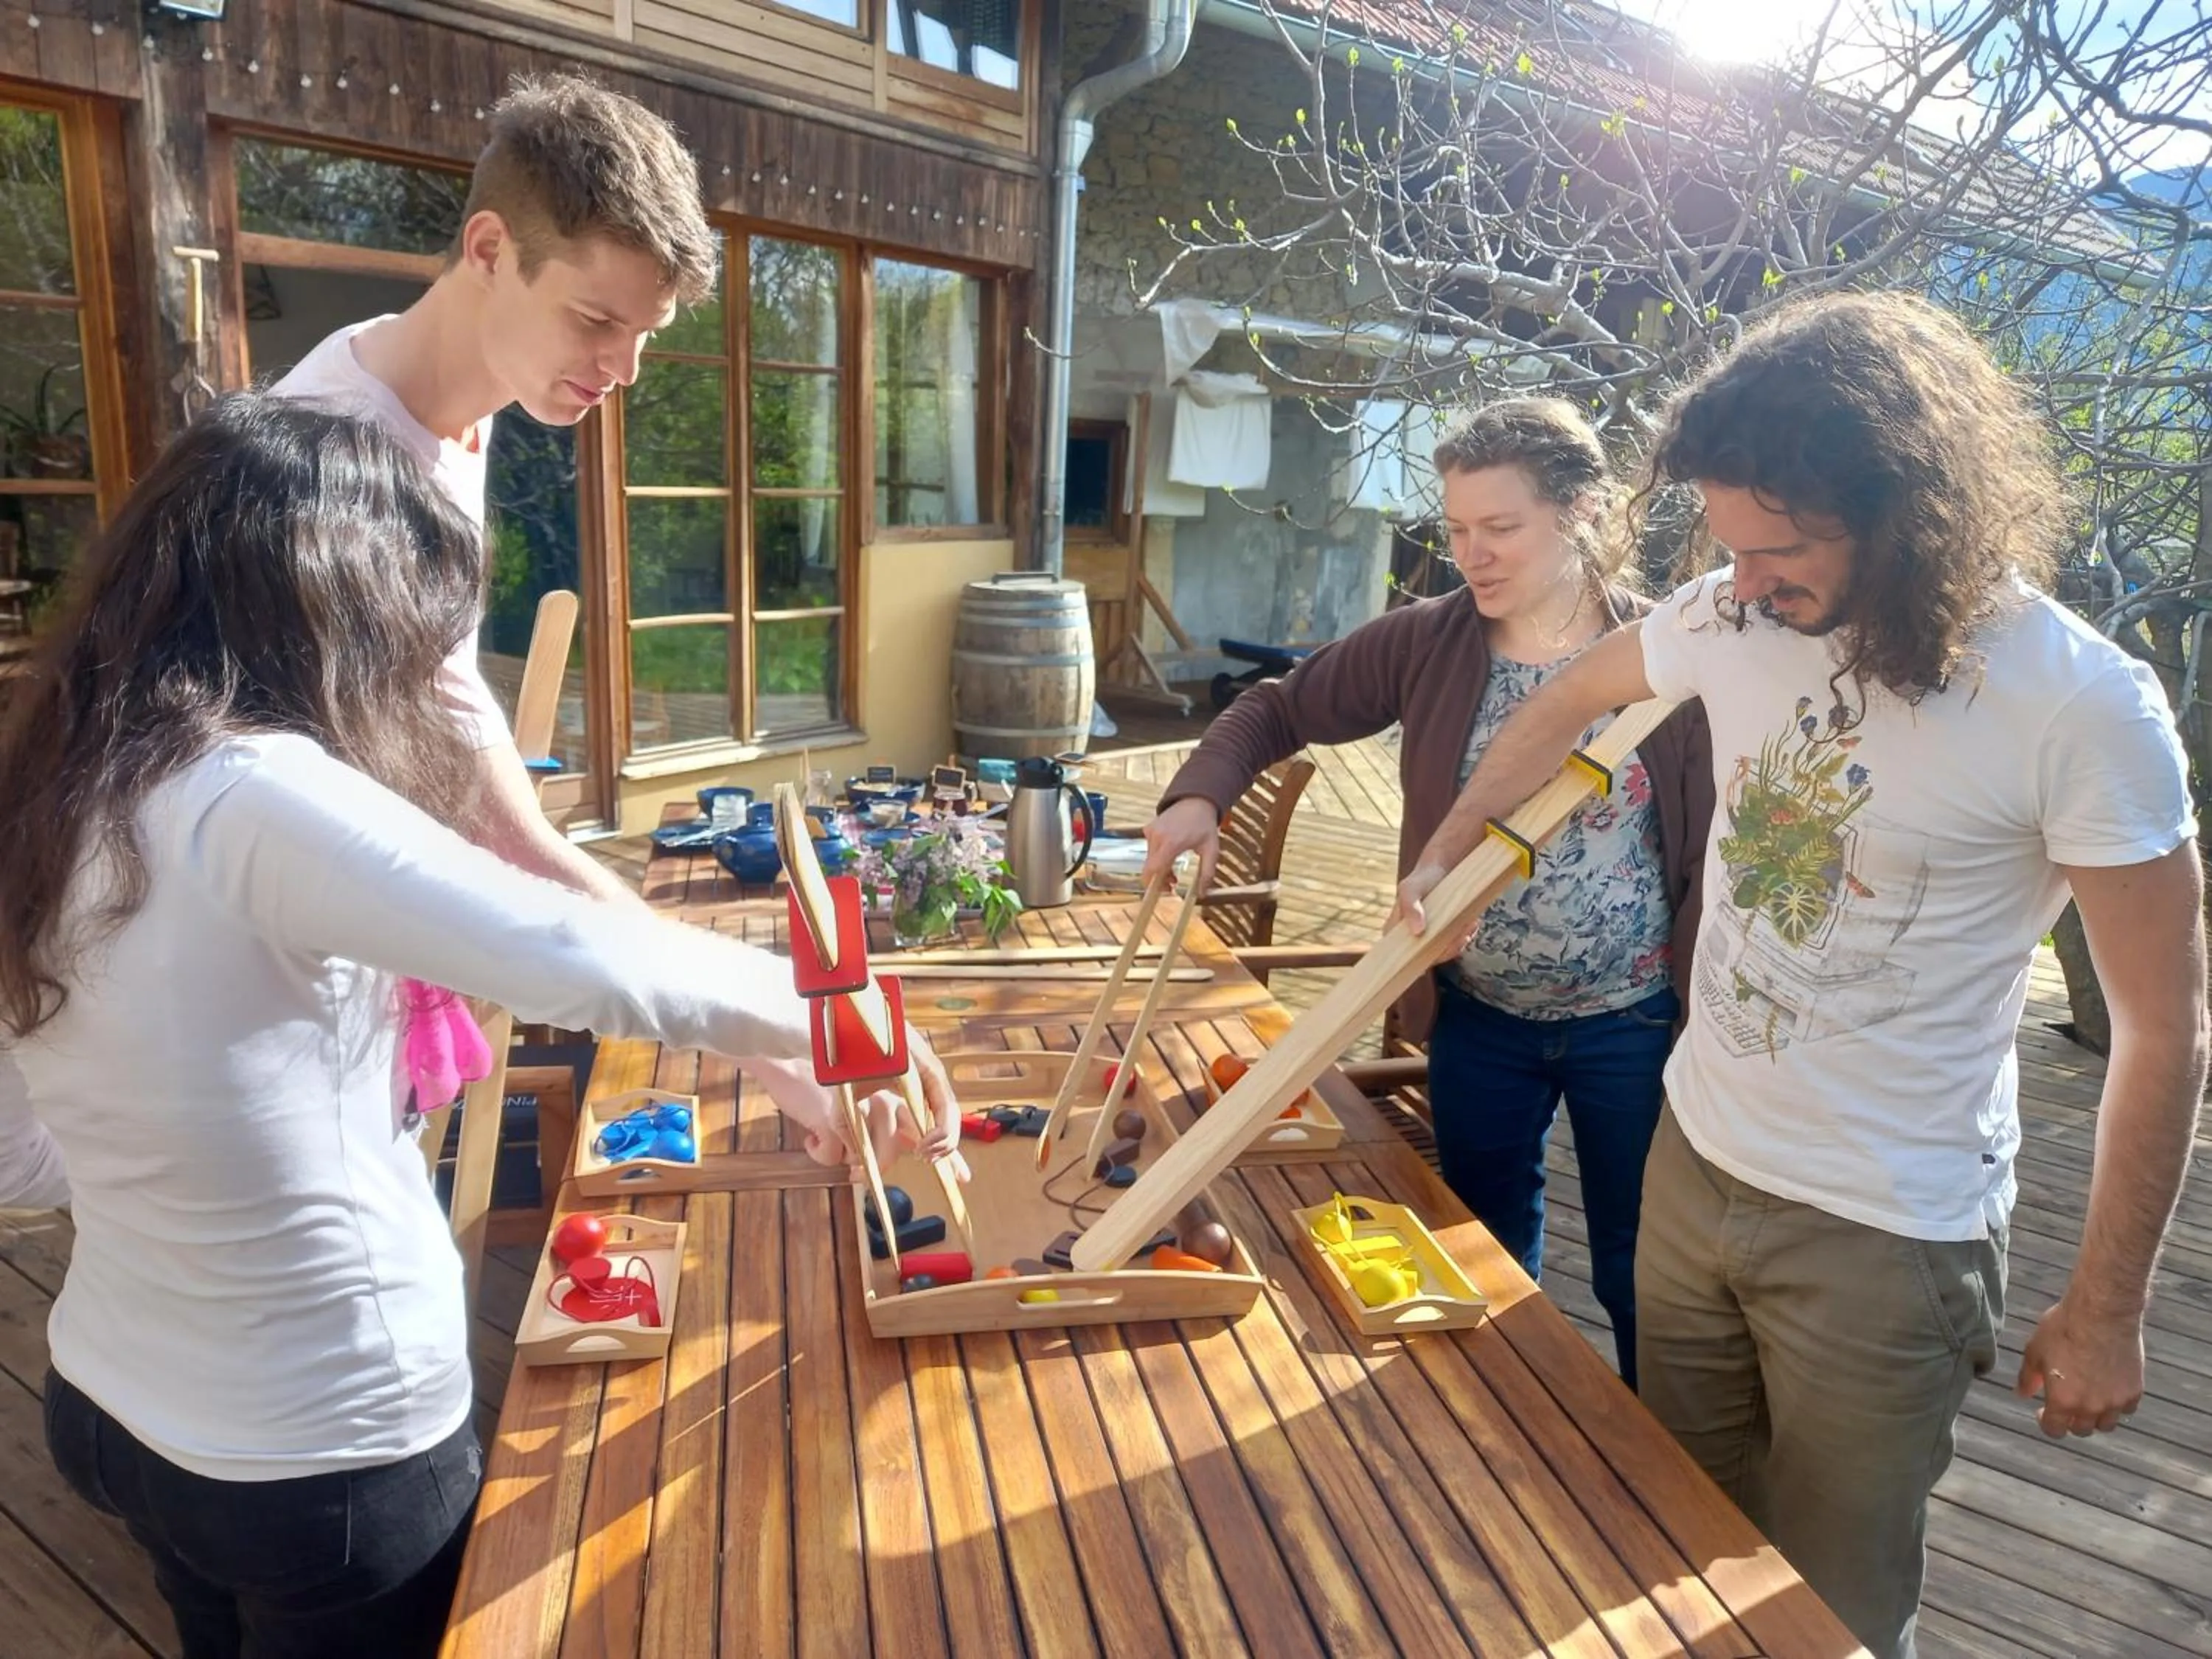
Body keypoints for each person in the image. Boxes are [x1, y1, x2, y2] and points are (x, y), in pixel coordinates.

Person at [0, 394, 960, 1659]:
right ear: (333, 618)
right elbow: (562, 948)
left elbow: (22, 1160)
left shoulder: (64, 777)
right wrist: (846, 1015)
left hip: (112, 1409)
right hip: (319, 1458)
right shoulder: (250, 795)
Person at [1394, 293, 2206, 1659]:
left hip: (1888, 1239)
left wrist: (2108, 1303)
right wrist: (1451, 860)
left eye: (1780, 551)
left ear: (1913, 508)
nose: (1746, 583)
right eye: (1731, 549)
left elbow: (2163, 1030)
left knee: (1824, 1615)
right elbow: (1566, 700)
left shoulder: (2084, 705)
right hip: (1695, 1168)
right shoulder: (1732, 612)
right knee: (1670, 1555)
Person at [1144, 397, 1713, 1383]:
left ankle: (1655, 1472)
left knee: (1638, 1262)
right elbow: (1277, 706)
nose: (1472, 554)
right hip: (1475, 1015)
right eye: (1456, 530)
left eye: (1500, 528)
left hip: (1631, 1021)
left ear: (1580, 512)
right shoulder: (1429, 639)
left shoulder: (1667, 657)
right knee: (1480, 1248)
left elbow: (1709, 846)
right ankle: (1496, 1421)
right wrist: (1201, 794)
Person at [272, 71, 718, 909]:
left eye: (645, 336)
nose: (623, 370)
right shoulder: (336, 462)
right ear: (488, 250)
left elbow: (453, 698)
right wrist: (704, 981)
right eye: (595, 321)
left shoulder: (440, 394)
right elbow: (491, 815)